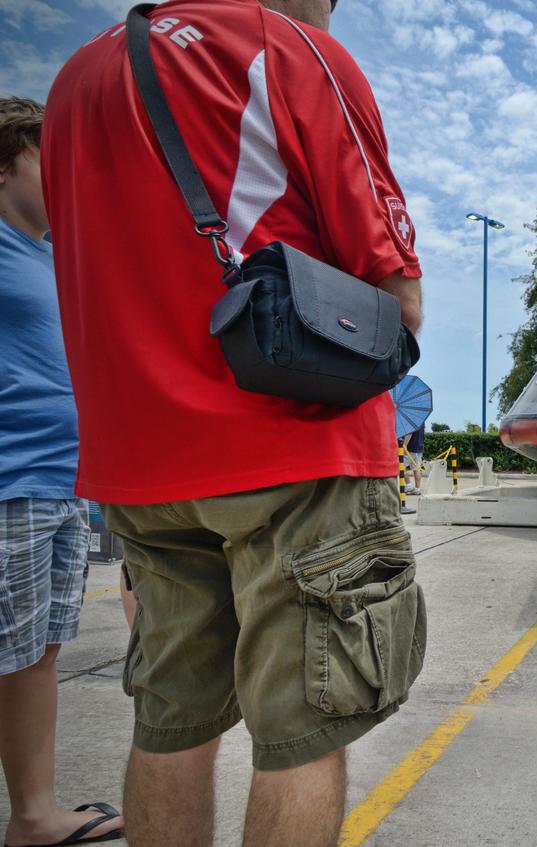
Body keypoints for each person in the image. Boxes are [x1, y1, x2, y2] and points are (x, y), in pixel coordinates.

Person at [42, 2, 427, 845]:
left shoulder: (75, 79)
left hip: (137, 466)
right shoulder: (288, 47)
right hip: (291, 451)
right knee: (303, 731)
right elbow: (398, 299)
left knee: (171, 723)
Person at [0, 96, 124, 847]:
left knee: (36, 653)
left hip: (60, 482)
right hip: (7, 480)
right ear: (6, 160)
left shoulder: (56, 254)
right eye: (51, 156)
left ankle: (33, 814)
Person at [405, 425, 425, 494]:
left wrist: (404, 446)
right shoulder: (421, 420)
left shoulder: (411, 419)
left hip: (410, 447)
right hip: (419, 447)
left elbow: (409, 433)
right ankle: (417, 489)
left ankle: (408, 485)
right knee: (417, 468)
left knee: (400, 466)